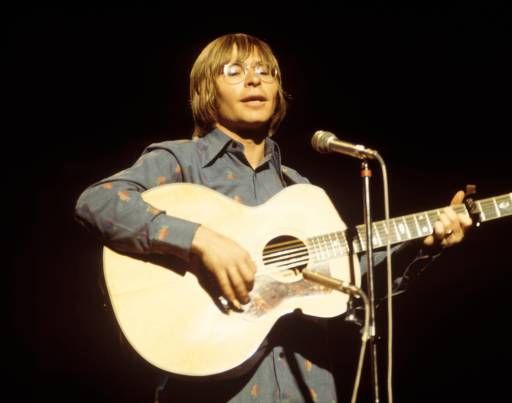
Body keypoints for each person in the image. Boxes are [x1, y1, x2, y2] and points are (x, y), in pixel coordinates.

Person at [75, 33, 472, 403]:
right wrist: (200, 239)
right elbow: (98, 202)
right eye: (234, 71)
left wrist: (425, 246)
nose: (254, 81)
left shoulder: (299, 190)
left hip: (308, 384)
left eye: (265, 72)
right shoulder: (180, 159)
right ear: (206, 92)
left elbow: (352, 289)